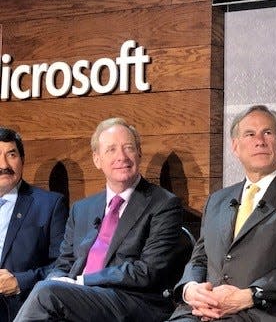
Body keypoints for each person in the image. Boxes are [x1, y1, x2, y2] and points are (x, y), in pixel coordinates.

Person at [168, 105, 276, 322]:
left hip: (263, 312)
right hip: (203, 313)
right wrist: (190, 289)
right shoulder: (217, 201)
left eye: (267, 132)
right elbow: (200, 258)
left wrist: (249, 295)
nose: (260, 141)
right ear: (235, 147)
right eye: (250, 134)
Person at [15, 118, 183, 322]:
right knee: (46, 293)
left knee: (45, 293)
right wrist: (57, 279)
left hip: (133, 301)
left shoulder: (164, 204)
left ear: (139, 153)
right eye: (111, 150)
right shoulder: (82, 209)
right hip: (79, 299)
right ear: (97, 159)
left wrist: (82, 281)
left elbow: (147, 270)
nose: (122, 157)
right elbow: (65, 262)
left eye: (128, 148)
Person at [0, 128, 68, 321]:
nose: (3, 164)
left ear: (22, 159)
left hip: (23, 309)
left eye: (11, 154)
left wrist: (19, 281)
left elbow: (63, 266)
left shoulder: (50, 205)